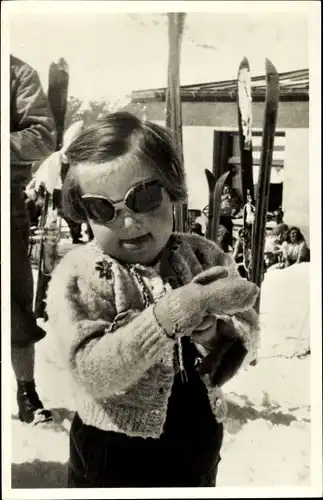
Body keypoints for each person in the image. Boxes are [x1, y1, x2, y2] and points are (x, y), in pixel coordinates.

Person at [46, 112, 259, 488]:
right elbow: (91, 371)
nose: (129, 223)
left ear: (172, 189)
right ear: (83, 213)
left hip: (197, 437)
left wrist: (215, 336)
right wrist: (163, 319)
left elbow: (249, 332)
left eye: (144, 198)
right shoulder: (81, 274)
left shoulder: (202, 257)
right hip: (112, 449)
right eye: (103, 208)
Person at [10, 55, 56, 424]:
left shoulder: (17, 73)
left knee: (14, 304)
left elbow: (42, 137)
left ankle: (27, 392)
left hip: (4, 201)